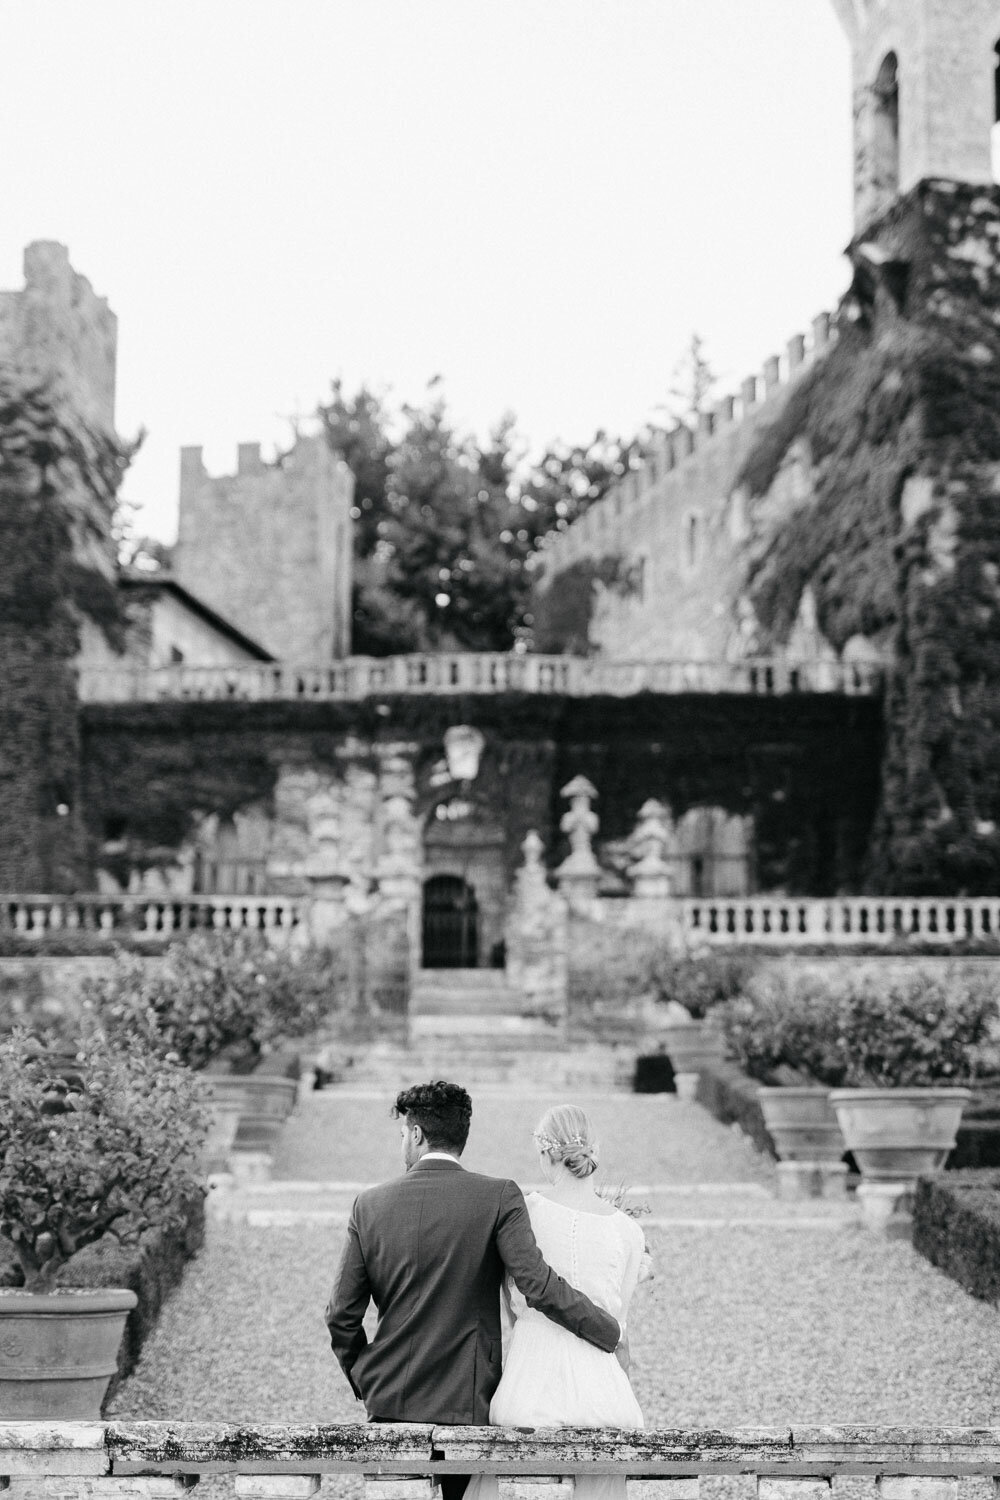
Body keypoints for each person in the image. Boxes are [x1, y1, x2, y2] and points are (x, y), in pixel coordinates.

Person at [324, 1081, 622, 1500]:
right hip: (468, 1399)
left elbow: (340, 1313)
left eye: (401, 1136)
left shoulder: (369, 1204)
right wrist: (605, 1330)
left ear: (415, 1134)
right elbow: (535, 1283)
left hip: (389, 1395)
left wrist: (363, 1376)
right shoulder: (498, 1196)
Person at [465, 1104, 645, 1500]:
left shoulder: (527, 1212)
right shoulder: (628, 1231)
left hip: (533, 1378)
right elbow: (618, 1323)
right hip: (603, 1391)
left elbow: (509, 1302)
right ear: (591, 1150)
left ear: (547, 1154)